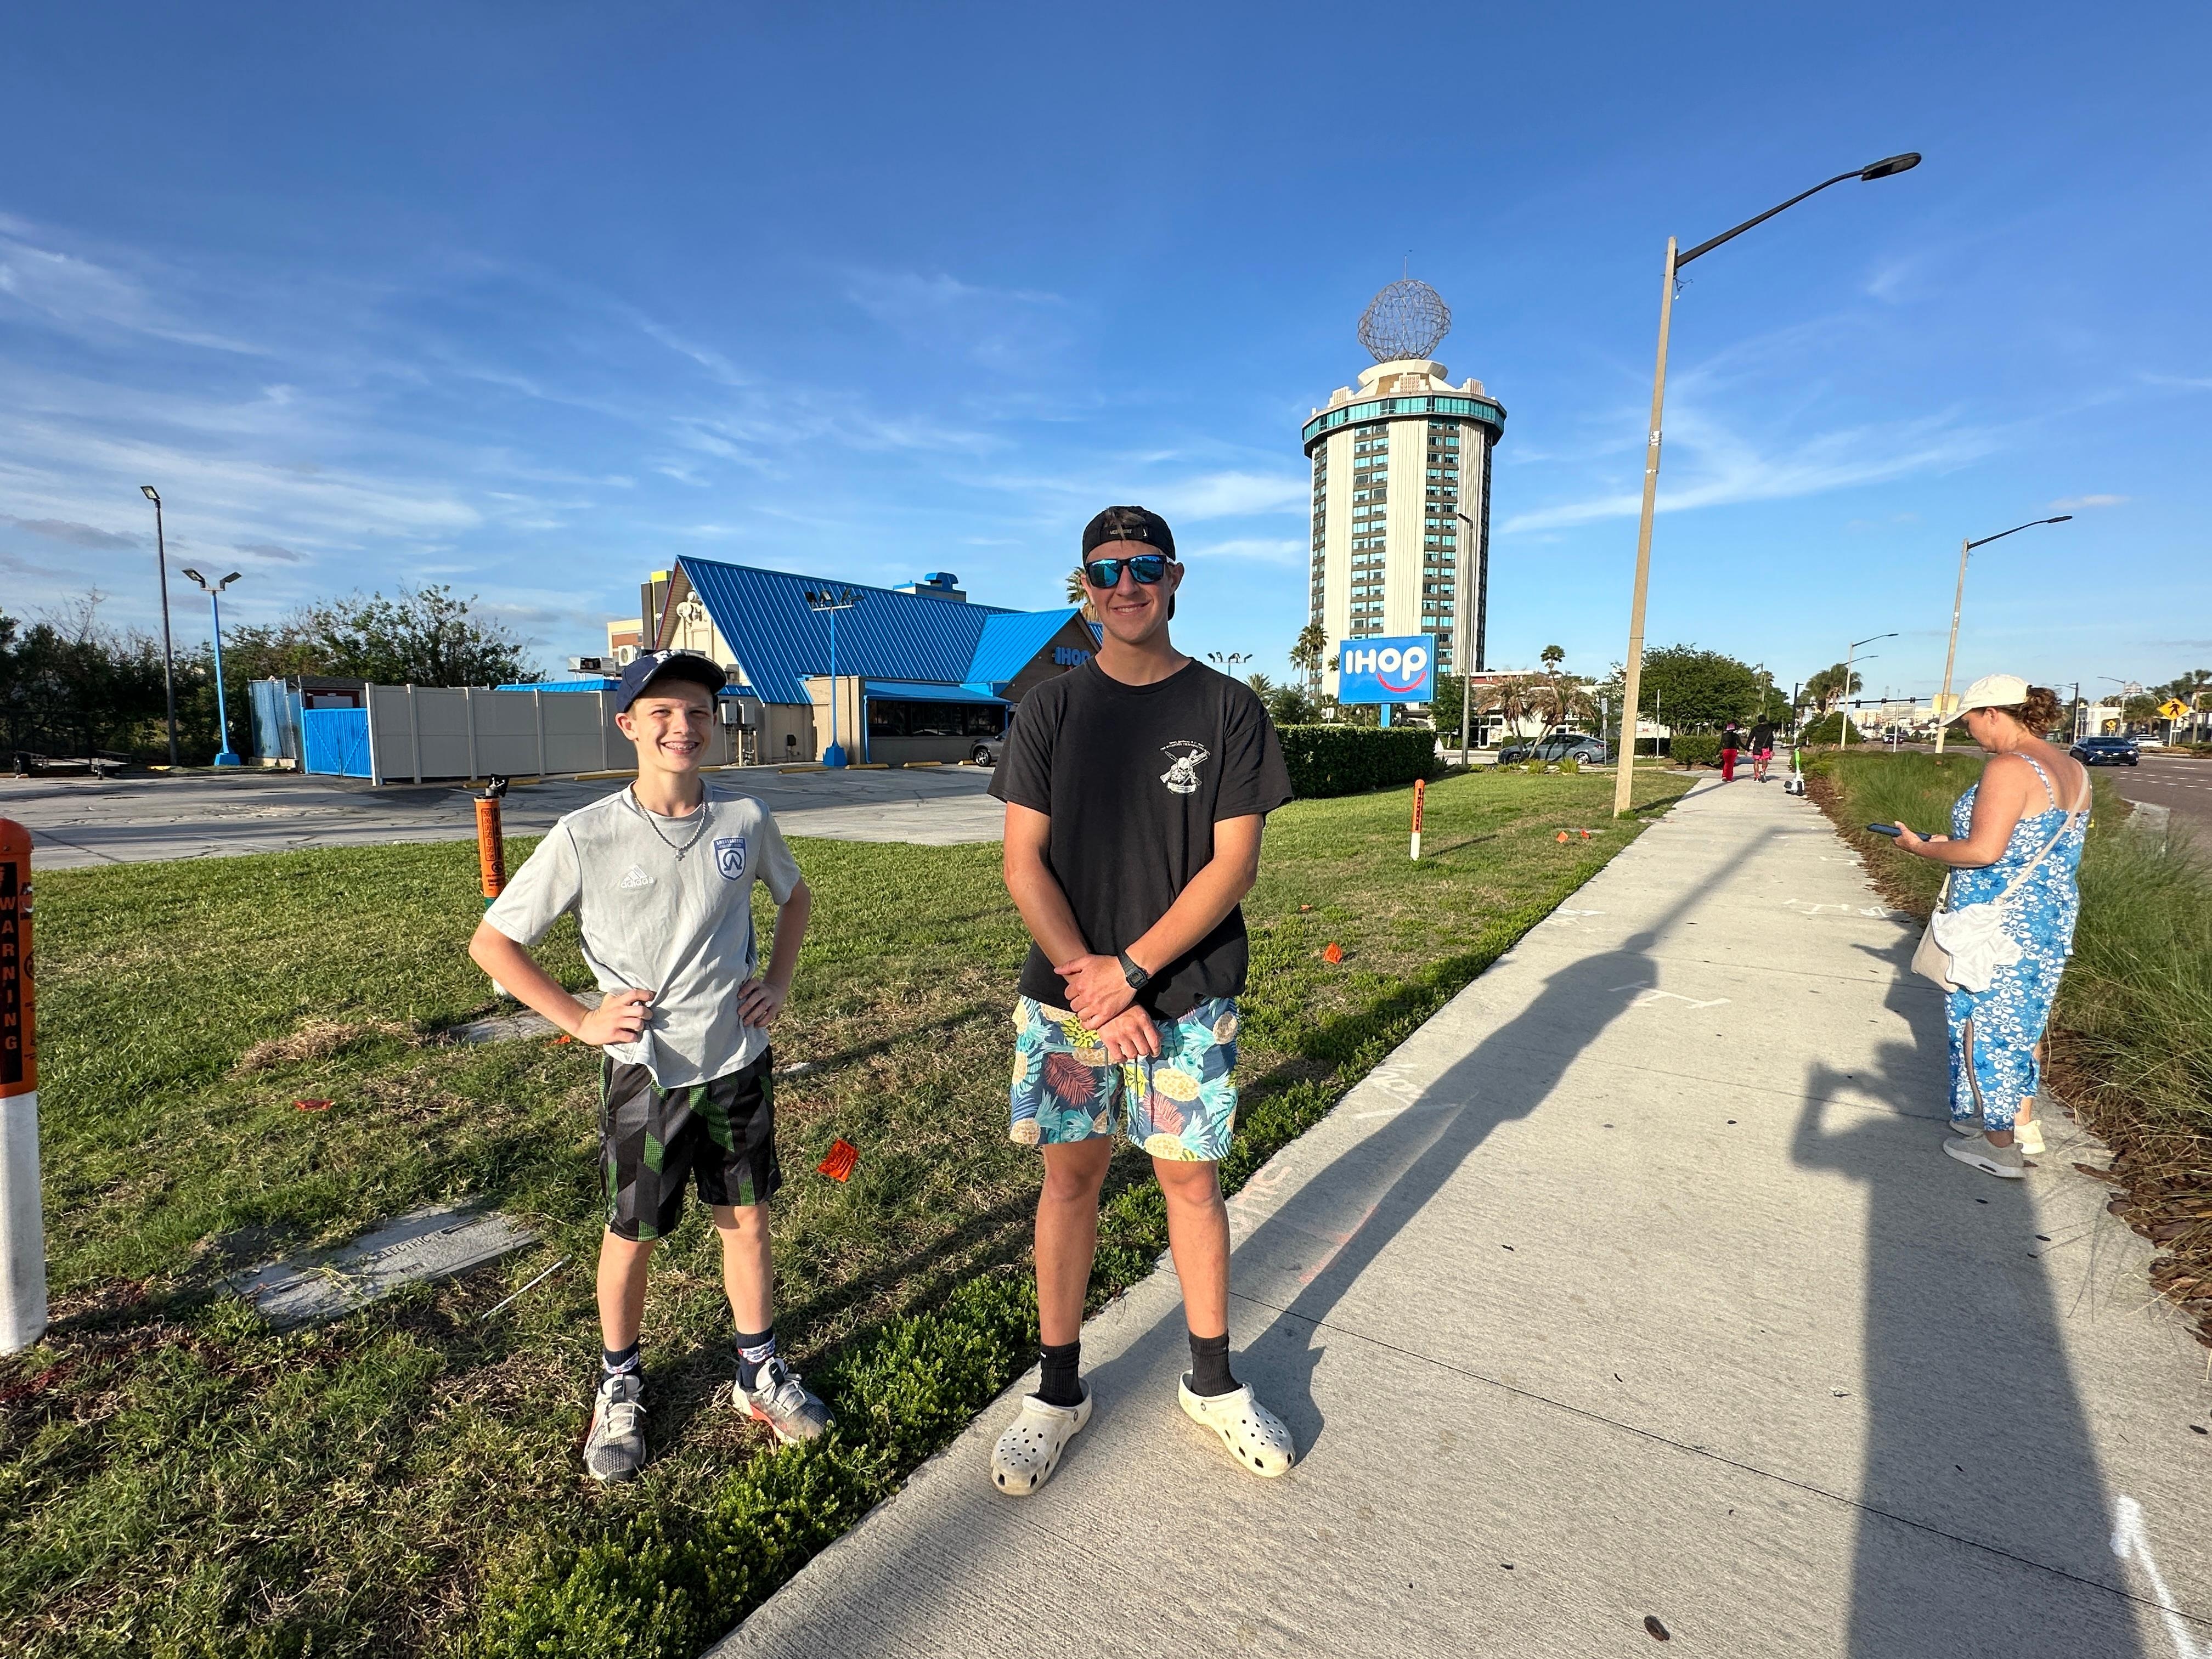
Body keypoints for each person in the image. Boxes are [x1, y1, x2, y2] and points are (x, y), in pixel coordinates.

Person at [986, 504, 1298, 1496]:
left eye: (1144, 566)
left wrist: (1132, 972)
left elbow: (1232, 864)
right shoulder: (1050, 710)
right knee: (1069, 1184)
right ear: (1083, 584)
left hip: (1185, 1002)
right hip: (1069, 999)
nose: (1125, 584)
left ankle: (1211, 1381)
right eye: (1104, 569)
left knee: (1191, 1186)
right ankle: (1058, 1390)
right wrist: (1090, 974)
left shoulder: (1226, 708)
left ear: (1175, 577)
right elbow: (1022, 863)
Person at [468, 650, 827, 1482]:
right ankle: (620, 1380)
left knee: (748, 1218)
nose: (683, 726)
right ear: (627, 723)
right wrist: (582, 1021)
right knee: (633, 1234)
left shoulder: (744, 818)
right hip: (647, 1074)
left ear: (716, 724)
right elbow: (496, 942)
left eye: (698, 711)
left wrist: (775, 981)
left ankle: (757, 1369)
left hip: (738, 1060)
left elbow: (796, 896)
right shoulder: (586, 834)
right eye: (662, 711)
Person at [1890, 676, 2088, 1178]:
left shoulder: (2009, 767)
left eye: (1971, 720)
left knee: (1985, 1026)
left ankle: (1999, 1145)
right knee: (2022, 1025)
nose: (1970, 731)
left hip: (1994, 925)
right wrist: (1949, 841)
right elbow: (2022, 844)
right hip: (2046, 918)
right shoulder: (2072, 769)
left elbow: (1983, 852)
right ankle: (2017, 1124)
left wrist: (1921, 848)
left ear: (1994, 714)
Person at [1748, 716, 1776, 782]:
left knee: (1756, 762)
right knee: (1765, 761)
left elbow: (1750, 738)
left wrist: (1746, 748)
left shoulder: (1755, 729)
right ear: (1765, 720)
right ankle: (1763, 771)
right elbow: (1771, 740)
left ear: (1758, 721)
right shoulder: (1769, 729)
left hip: (1757, 748)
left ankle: (1757, 776)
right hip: (1765, 748)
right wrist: (1771, 750)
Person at [1720, 719, 1742, 783]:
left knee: (1726, 763)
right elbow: (1740, 744)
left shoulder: (1724, 736)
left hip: (1726, 750)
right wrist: (1747, 748)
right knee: (1731, 764)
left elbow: (1721, 744)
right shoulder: (1736, 736)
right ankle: (1729, 777)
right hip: (1733, 750)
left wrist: (1717, 751)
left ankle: (1724, 776)